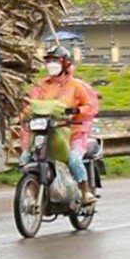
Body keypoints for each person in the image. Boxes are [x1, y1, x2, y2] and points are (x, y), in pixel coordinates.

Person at [24, 51, 102, 204]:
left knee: (73, 159)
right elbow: (31, 104)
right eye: (49, 61)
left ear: (65, 64)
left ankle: (85, 192)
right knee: (27, 157)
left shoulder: (76, 86)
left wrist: (76, 112)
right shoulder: (41, 86)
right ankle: (32, 193)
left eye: (56, 61)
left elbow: (89, 106)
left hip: (73, 132)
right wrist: (21, 116)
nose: (51, 64)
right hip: (48, 131)